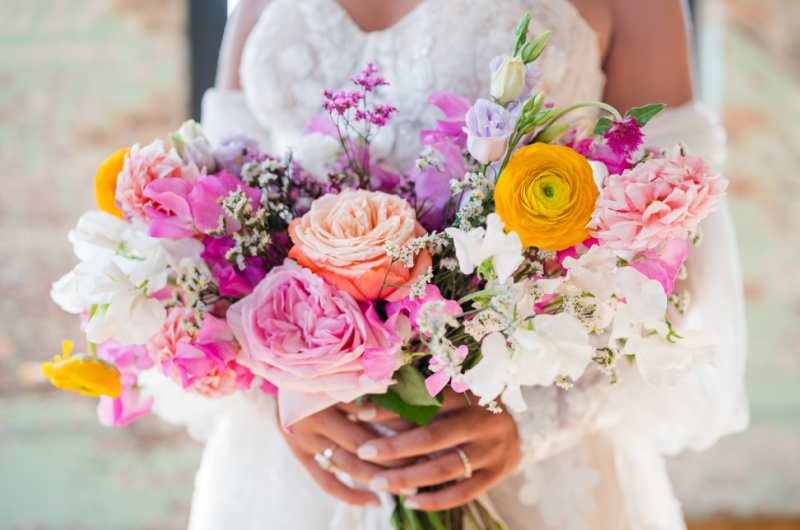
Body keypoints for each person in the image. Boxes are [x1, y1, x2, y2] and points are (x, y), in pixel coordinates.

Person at [145, 1, 748, 528]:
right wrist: (275, 394)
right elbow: (216, 213)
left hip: (513, 438)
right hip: (303, 452)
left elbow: (669, 226)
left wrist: (536, 422)